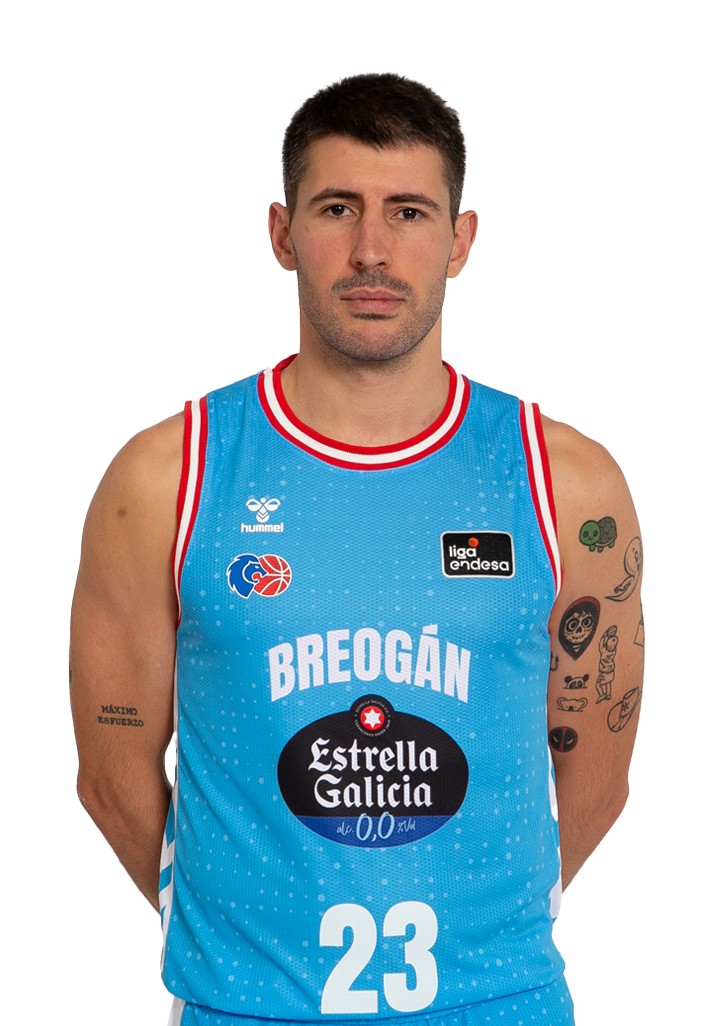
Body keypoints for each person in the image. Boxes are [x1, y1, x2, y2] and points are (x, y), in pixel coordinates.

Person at [70, 73, 644, 1026]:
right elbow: (110, 773)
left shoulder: (564, 483)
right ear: (281, 233)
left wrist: (487, 932)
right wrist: (230, 934)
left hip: (499, 1005)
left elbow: (598, 773)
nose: (371, 249)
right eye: (337, 208)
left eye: (409, 212)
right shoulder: (168, 478)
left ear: (459, 240)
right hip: (247, 1008)